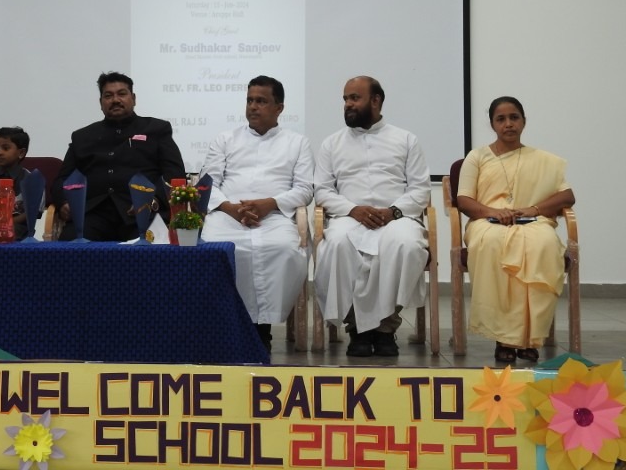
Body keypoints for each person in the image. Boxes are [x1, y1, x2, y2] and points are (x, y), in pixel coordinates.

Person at [313, 76, 431, 357]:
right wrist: (353, 209)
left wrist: (392, 212)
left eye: (354, 98)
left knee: (406, 244)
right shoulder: (332, 143)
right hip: (349, 216)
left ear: (376, 101)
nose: (348, 104)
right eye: (345, 99)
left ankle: (386, 327)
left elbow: (420, 189)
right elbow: (322, 190)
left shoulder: (406, 139)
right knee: (337, 244)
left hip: (397, 217)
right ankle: (357, 329)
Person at [455, 96, 575, 363]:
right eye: (501, 119)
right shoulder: (477, 157)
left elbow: (567, 196)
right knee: (493, 244)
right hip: (487, 222)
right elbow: (464, 200)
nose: (508, 124)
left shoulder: (542, 160)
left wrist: (534, 209)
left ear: (523, 121)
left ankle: (531, 337)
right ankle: (504, 339)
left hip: (532, 222)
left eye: (514, 118)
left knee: (544, 244)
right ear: (492, 124)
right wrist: (492, 212)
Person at [199, 76, 314, 351]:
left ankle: (261, 329)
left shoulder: (297, 142)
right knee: (216, 250)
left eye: (261, 101)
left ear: (279, 108)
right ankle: (225, 326)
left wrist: (269, 204)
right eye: (250, 100)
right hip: (227, 215)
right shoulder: (225, 139)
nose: (253, 106)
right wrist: (232, 209)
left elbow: (305, 189)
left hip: (275, 216)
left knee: (284, 249)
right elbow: (206, 184)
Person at [53, 71, 186, 241]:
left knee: (150, 250)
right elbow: (62, 178)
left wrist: (154, 200)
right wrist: (63, 202)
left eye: (122, 94)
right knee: (69, 245)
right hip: (93, 214)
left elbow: (174, 175)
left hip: (142, 212)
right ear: (101, 103)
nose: (115, 100)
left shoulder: (156, 129)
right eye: (108, 96)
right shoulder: (82, 136)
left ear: (134, 99)